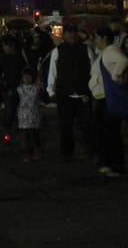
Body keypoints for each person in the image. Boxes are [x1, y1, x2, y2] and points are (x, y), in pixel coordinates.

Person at [89, 28, 128, 178]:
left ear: (104, 38)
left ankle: (117, 166)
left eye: (96, 38)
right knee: (105, 132)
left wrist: (115, 76)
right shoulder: (106, 52)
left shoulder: (110, 51)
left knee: (111, 133)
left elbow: (123, 61)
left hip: (108, 99)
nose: (95, 41)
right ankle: (109, 163)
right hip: (104, 98)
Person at [47, 28, 93, 162]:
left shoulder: (86, 49)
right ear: (64, 35)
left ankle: (91, 150)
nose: (72, 35)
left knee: (88, 125)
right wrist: (50, 90)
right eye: (69, 33)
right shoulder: (58, 51)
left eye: (74, 32)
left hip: (83, 93)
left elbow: (93, 70)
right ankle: (67, 152)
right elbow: (53, 71)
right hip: (64, 94)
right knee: (65, 126)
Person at [17, 68, 44, 162]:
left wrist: (42, 88)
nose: (27, 78)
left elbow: (44, 99)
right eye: (25, 76)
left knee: (34, 135)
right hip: (23, 117)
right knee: (25, 136)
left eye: (29, 76)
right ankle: (28, 153)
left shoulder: (37, 88)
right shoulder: (19, 89)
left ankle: (37, 150)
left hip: (34, 116)